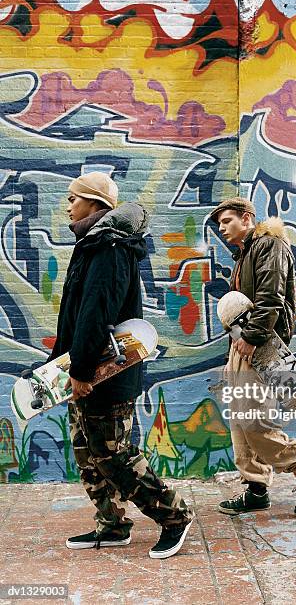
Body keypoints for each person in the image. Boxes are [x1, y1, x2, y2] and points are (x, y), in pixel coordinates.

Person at [50, 171, 194, 558]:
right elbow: (76, 313)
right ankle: (112, 524)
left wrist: (81, 371)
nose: (68, 204)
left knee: (114, 453)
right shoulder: (92, 243)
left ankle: (174, 515)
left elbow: (97, 313)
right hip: (82, 370)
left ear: (95, 203)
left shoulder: (109, 247)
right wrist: (61, 366)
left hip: (105, 373)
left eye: (73, 198)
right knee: (87, 449)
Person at [210, 198, 296, 517]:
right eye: (219, 223)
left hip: (262, 345)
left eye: (226, 220)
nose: (221, 228)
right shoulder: (246, 251)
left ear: (247, 219)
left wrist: (251, 337)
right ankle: (256, 489)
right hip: (242, 345)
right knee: (239, 421)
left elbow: (270, 298)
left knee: (255, 420)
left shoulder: (269, 244)